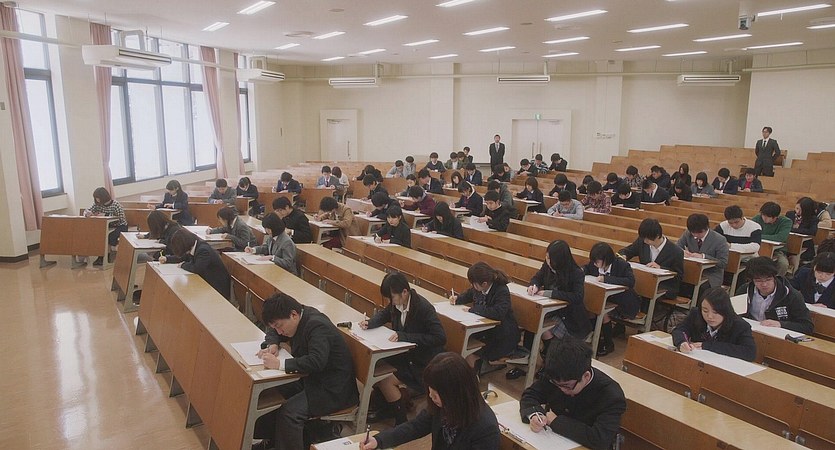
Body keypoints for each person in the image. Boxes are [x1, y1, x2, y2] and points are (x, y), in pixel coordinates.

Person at [254, 293, 359, 450]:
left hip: (333, 388)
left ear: (293, 315)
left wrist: (280, 364)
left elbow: (316, 361)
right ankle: (274, 441)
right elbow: (273, 331)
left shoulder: (317, 326)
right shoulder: (296, 316)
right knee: (271, 392)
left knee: (290, 413)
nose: (279, 331)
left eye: (279, 326)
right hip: (312, 379)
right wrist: (273, 344)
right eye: (276, 327)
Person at [360, 352, 500, 450]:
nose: (431, 396)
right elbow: (415, 427)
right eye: (429, 390)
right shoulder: (444, 405)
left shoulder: (485, 429)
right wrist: (379, 440)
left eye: (436, 392)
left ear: (454, 392)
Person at [360, 272, 447, 424]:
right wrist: (370, 323)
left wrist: (406, 337)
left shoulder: (423, 308)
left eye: (392, 297)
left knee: (384, 378)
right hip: (405, 356)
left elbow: (440, 337)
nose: (391, 302)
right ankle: (388, 407)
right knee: (375, 367)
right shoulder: (398, 303)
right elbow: (384, 314)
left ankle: (401, 420)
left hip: (421, 363)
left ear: (405, 292)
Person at [520, 337, 626, 450]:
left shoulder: (611, 395)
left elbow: (600, 439)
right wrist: (535, 415)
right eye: (557, 384)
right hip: (553, 442)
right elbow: (530, 394)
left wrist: (556, 422)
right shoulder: (556, 375)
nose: (562, 389)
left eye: (567, 386)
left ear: (586, 376)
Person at [449, 262, 518, 371]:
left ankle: (473, 373)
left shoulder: (501, 290)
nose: (473, 286)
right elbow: (469, 294)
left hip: (501, 336)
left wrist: (474, 309)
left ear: (485, 283)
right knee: (459, 341)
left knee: (469, 352)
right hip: (485, 331)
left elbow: (498, 313)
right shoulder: (479, 287)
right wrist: (457, 299)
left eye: (474, 284)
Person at [527, 240, 588, 345]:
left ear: (559, 260)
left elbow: (577, 296)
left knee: (541, 326)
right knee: (531, 320)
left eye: (550, 258)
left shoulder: (576, 273)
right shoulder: (547, 265)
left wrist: (551, 293)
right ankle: (534, 351)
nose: (547, 261)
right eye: (547, 257)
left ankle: (551, 351)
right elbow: (537, 277)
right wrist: (534, 286)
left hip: (569, 317)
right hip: (552, 310)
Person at [672, 287, 757, 361]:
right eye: (705, 311)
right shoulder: (696, 314)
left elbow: (750, 352)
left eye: (715, 312)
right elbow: (680, 330)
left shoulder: (740, 326)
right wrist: (681, 342)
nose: (709, 316)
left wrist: (708, 346)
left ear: (725, 311)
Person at [584, 243, 639, 356]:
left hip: (624, 303)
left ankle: (608, 343)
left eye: (597, 261)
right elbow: (587, 268)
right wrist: (581, 270)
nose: (594, 264)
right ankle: (597, 337)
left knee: (602, 310)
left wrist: (606, 279)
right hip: (607, 300)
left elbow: (630, 281)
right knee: (591, 305)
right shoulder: (595, 264)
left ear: (607, 259)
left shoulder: (622, 265)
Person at [742, 257, 813, 334]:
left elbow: (807, 327)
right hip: (749, 332)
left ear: (774, 277)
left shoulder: (792, 295)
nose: (764, 284)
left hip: (778, 335)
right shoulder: (744, 290)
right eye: (758, 281)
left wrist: (781, 324)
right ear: (752, 280)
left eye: (768, 279)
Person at [618, 218, 684, 300]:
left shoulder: (676, 251)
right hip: (644, 280)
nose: (645, 241)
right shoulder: (642, 242)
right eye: (643, 238)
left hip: (664, 286)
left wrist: (661, 268)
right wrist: (623, 256)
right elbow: (626, 251)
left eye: (647, 239)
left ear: (657, 236)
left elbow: (679, 277)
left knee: (638, 289)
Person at [161, 229, 231, 300]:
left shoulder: (203, 250)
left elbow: (197, 268)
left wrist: (183, 265)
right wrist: (167, 259)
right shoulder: (195, 245)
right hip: (206, 282)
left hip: (217, 287)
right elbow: (184, 257)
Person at [677, 214, 729, 290]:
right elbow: (677, 247)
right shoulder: (688, 233)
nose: (695, 235)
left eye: (699, 233)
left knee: (699, 287)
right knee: (677, 282)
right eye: (693, 233)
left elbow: (723, 263)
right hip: (692, 271)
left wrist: (703, 256)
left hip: (710, 275)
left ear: (706, 228)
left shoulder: (720, 240)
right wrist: (682, 252)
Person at [83, 187, 127, 265]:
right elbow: (88, 210)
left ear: (103, 197)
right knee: (99, 235)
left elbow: (121, 218)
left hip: (120, 226)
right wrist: (87, 213)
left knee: (108, 236)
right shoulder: (97, 205)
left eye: (98, 198)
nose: (97, 200)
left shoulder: (115, 204)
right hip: (105, 227)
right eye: (96, 198)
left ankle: (107, 256)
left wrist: (105, 215)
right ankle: (101, 256)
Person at [751, 202, 791, 276]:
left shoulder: (786, 222)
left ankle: (777, 280)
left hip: (777, 251)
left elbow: (780, 238)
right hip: (757, 248)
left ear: (776, 217)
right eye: (763, 215)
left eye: (768, 216)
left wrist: (758, 235)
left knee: (783, 264)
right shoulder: (757, 218)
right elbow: (749, 233)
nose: (764, 218)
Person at [786, 197, 820, 262]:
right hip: (789, 244)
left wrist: (793, 230)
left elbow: (812, 232)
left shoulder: (812, 219)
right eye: (797, 208)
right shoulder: (790, 214)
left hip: (805, 246)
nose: (798, 211)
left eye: (801, 210)